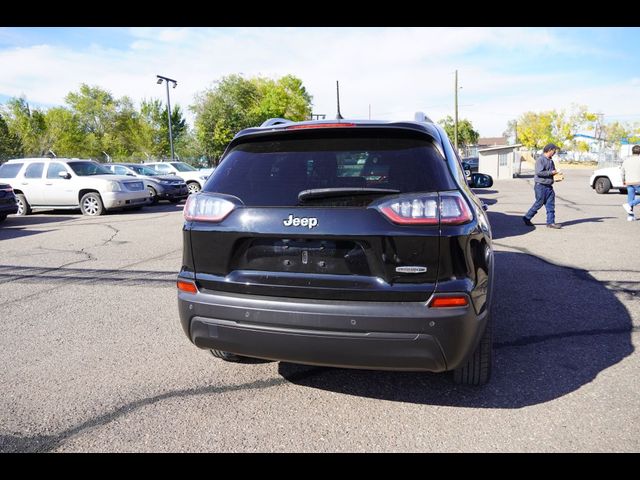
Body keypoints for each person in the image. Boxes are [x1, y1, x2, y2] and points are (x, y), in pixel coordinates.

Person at [523, 143, 563, 229]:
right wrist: (552, 172)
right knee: (539, 203)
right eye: (554, 151)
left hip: (549, 187)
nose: (555, 152)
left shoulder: (551, 161)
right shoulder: (540, 160)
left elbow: (551, 172)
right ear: (549, 150)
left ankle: (551, 223)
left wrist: (557, 176)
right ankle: (527, 217)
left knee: (550, 205)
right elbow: (539, 172)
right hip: (540, 186)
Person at [621, 144, 640, 221]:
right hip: (638, 181)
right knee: (630, 202)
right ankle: (630, 204)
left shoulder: (626, 160)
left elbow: (622, 172)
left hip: (628, 182)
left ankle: (630, 216)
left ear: (632, 152)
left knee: (630, 198)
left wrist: (623, 180)